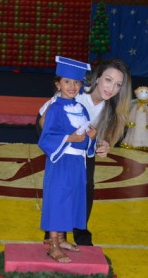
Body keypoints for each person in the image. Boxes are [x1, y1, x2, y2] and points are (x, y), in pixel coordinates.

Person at [37, 58, 132, 246]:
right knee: (60, 187)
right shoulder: (77, 93)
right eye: (108, 80)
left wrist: (103, 144)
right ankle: (53, 235)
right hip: (58, 140)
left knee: (86, 187)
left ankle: (81, 234)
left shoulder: (113, 110)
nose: (111, 88)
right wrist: (64, 140)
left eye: (118, 85)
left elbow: (104, 138)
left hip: (83, 147)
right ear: (97, 78)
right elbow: (43, 124)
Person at [38, 56, 97, 263]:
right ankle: (53, 243)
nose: (72, 86)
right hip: (60, 162)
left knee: (71, 198)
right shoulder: (54, 109)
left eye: (77, 82)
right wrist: (70, 138)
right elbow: (46, 138)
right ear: (58, 84)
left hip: (77, 164)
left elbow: (88, 137)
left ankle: (62, 238)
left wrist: (92, 137)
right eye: (67, 82)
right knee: (57, 199)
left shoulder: (81, 109)